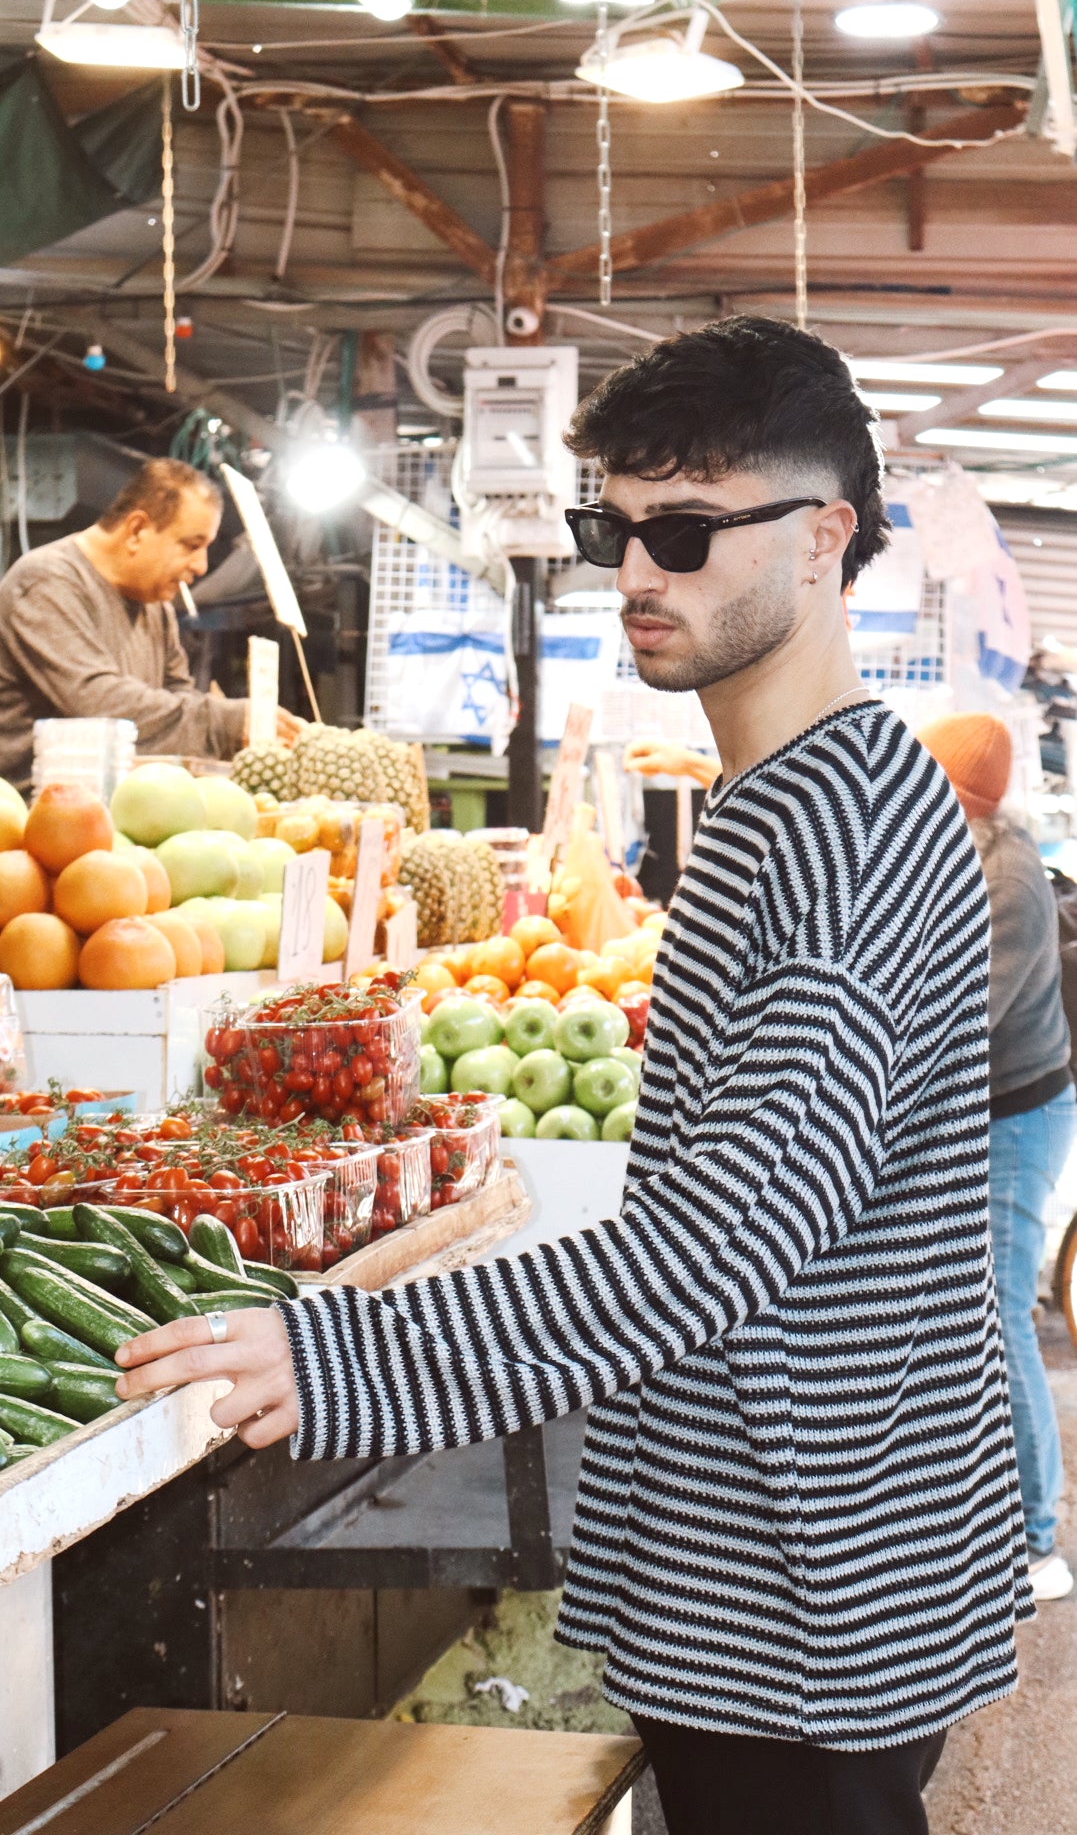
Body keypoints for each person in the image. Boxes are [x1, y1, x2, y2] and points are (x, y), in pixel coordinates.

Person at [115, 318, 1032, 1835]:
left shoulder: (848, 830)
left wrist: (340, 1359)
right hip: (767, 1563)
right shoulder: (781, 802)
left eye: (686, 532)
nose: (637, 574)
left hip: (804, 1596)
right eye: (619, 531)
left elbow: (722, 1240)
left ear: (825, 539)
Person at [919, 711, 1075, 1605]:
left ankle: (1034, 1541)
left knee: (1000, 1315)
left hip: (1018, 1118)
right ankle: (983, 1516)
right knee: (971, 1314)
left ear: (963, 801)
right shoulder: (957, 853)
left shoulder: (1005, 876)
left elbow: (959, 1018)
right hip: (986, 1113)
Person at [0, 457, 303, 792]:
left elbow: (178, 700)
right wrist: (224, 722)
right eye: (191, 545)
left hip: (123, 807)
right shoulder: (46, 583)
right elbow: (98, 704)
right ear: (136, 530)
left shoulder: (155, 604)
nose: (201, 566)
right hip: (35, 811)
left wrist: (232, 726)